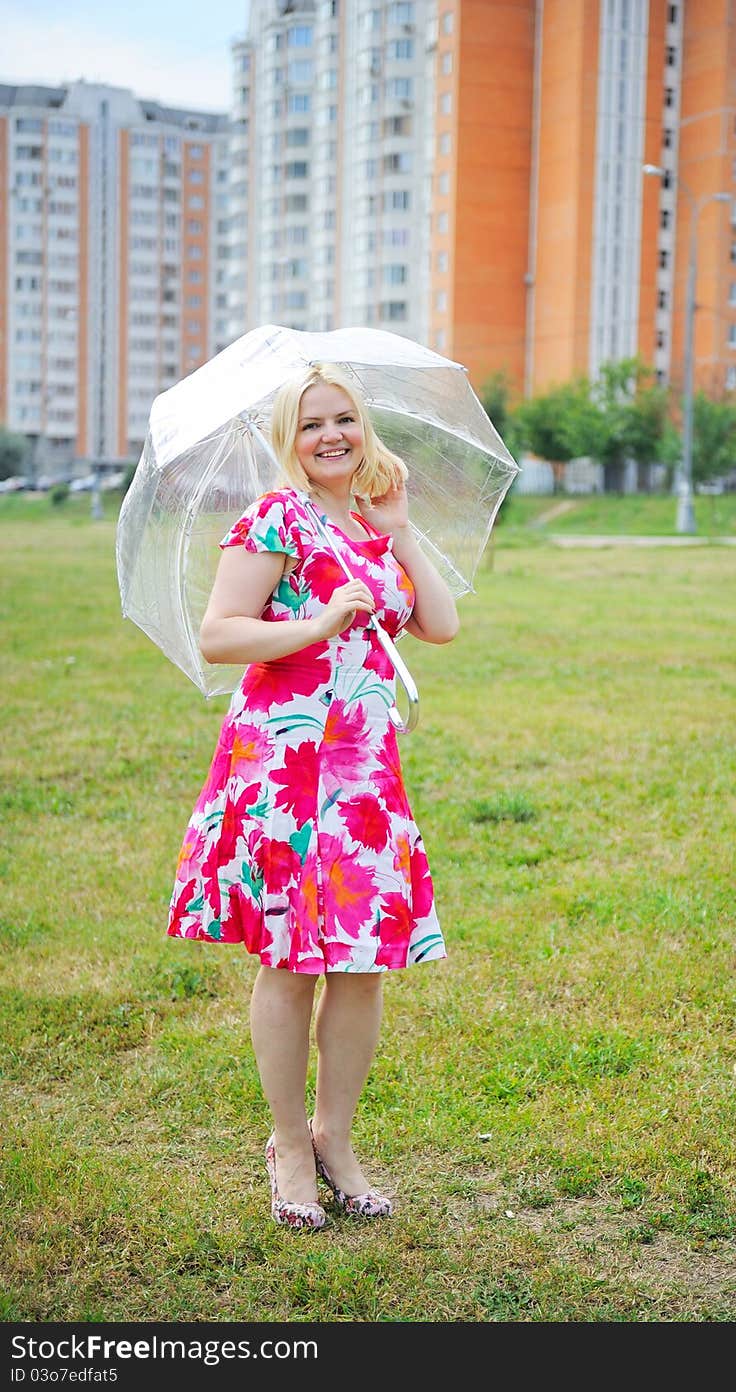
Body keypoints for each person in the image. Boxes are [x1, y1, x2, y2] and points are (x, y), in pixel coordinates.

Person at [167, 363, 459, 1230]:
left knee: (364, 964)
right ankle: (288, 1143)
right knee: (291, 960)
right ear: (286, 440)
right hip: (286, 766)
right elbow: (221, 635)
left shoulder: (373, 524)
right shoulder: (274, 518)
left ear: (363, 428)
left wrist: (400, 534)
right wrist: (319, 621)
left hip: (366, 769)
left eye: (344, 420)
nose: (331, 436)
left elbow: (439, 624)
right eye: (311, 424)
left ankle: (336, 1137)